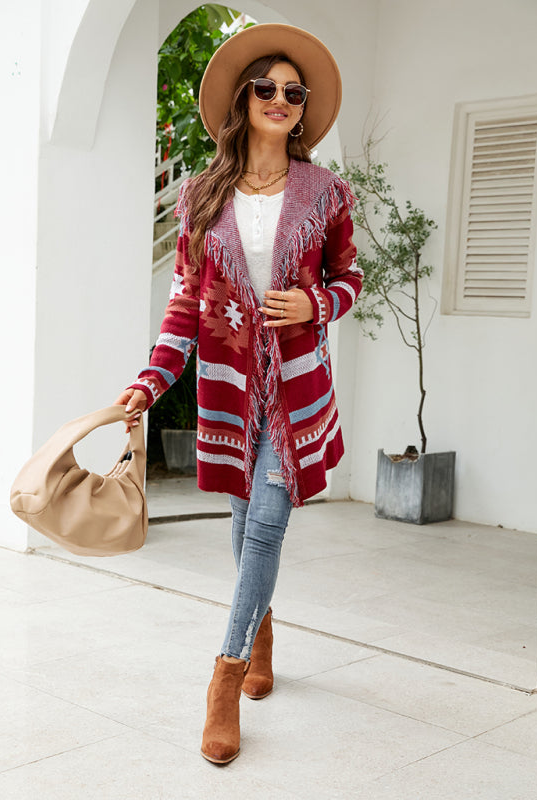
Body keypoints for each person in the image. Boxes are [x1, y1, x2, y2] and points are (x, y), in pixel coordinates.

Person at [114, 23, 363, 765]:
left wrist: (315, 304)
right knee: (240, 517)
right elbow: (184, 306)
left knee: (265, 527)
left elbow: (350, 277)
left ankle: (224, 677)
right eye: (266, 87)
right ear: (243, 100)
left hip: (296, 389)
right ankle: (261, 632)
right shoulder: (201, 196)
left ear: (303, 108)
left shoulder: (325, 193)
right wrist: (151, 380)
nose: (280, 99)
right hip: (228, 391)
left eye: (294, 91)